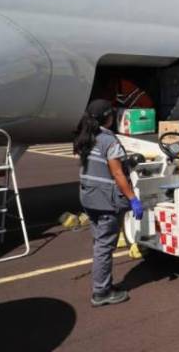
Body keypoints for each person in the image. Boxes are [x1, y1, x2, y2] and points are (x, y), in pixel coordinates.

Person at [73, 99, 144, 307]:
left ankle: (103, 285)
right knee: (104, 247)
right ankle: (101, 292)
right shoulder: (109, 141)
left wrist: (124, 162)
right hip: (105, 201)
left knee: (99, 243)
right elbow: (116, 173)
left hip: (88, 197)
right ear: (108, 118)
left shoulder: (85, 136)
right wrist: (133, 199)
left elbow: (96, 163)